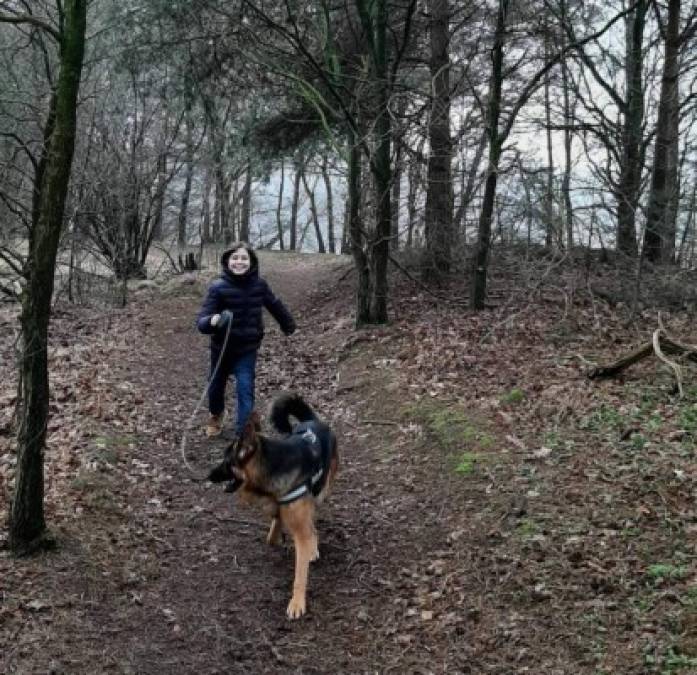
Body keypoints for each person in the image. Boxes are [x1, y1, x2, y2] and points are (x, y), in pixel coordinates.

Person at [196, 242, 296, 488]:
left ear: (251, 262)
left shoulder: (259, 285)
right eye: (234, 259)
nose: (239, 262)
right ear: (227, 261)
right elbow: (201, 322)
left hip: (247, 349)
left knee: (245, 388)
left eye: (244, 259)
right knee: (216, 387)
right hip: (221, 350)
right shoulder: (218, 288)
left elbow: (274, 304)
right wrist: (214, 319)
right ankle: (216, 415)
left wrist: (287, 324)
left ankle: (243, 439)